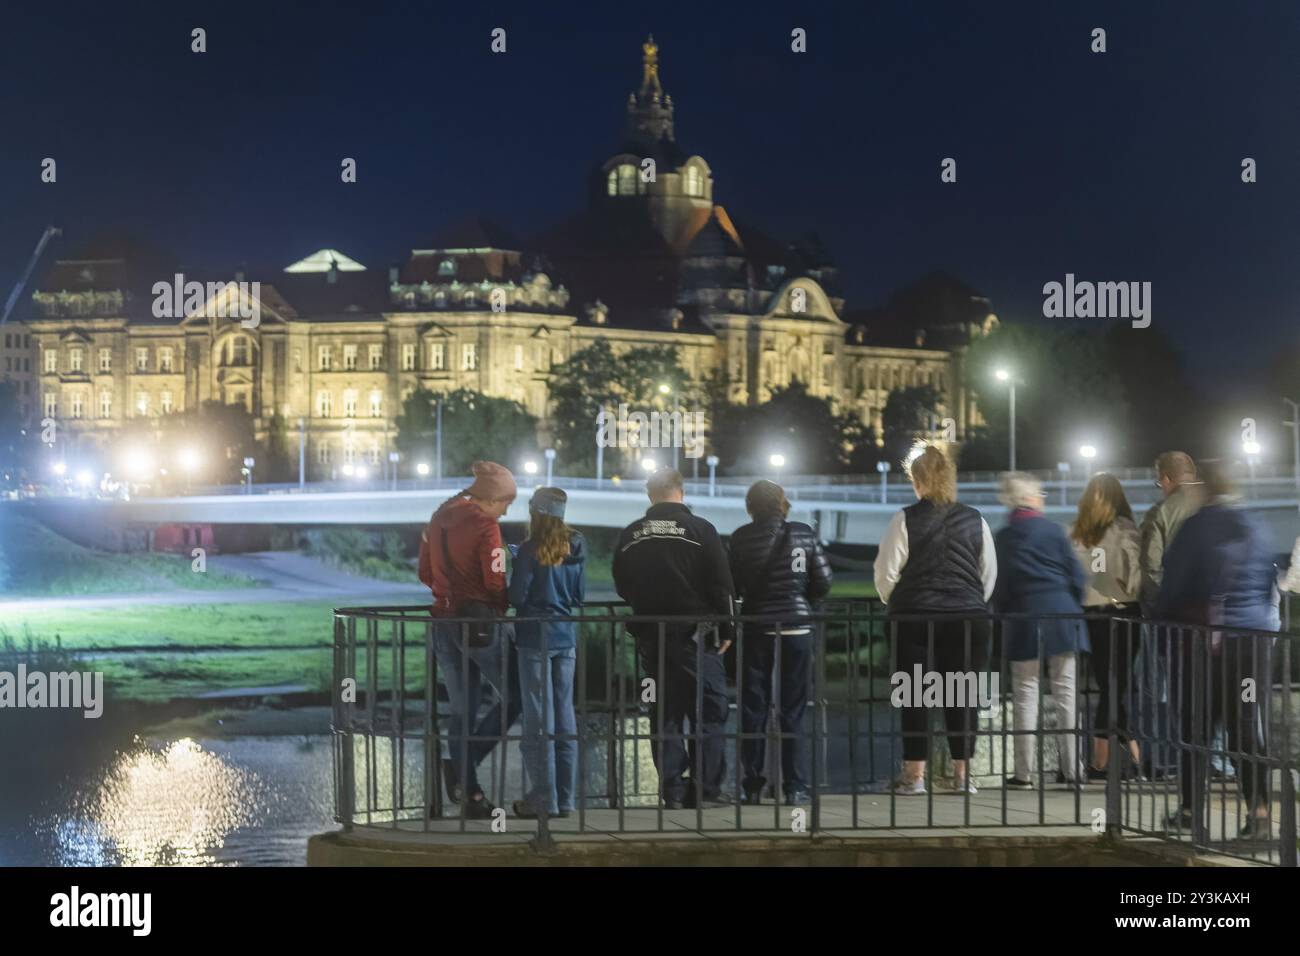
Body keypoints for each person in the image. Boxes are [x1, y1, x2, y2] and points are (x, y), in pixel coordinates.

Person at [1155, 460, 1276, 838]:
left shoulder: (1196, 527)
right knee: (1244, 728)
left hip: (1204, 645)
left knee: (1197, 727)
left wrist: (1161, 622)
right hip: (1252, 644)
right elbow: (1267, 582)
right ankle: (1258, 814)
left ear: (1204, 489)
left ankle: (1192, 811)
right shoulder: (1255, 526)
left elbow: (1173, 585)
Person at [874, 446, 997, 796]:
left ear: (917, 481)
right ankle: (963, 775)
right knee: (964, 695)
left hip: (914, 618)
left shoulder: (904, 518)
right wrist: (969, 601)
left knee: (915, 696)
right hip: (968, 618)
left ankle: (914, 776)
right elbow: (987, 575)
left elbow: (885, 573)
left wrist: (897, 601)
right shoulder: (976, 519)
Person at [612, 468, 735, 809]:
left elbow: (622, 585)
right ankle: (705, 789)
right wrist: (728, 628)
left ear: (650, 494)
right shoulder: (701, 530)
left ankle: (673, 790)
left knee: (662, 710)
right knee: (709, 710)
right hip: (697, 636)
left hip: (651, 636)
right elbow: (721, 585)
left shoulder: (631, 534)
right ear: (680, 491)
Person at [418, 460, 521, 819]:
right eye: (506, 502)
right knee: (517, 694)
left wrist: (446, 593)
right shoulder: (485, 525)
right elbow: (495, 580)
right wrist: (504, 603)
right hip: (479, 625)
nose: (507, 510)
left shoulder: (438, 516)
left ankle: (471, 794)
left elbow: (424, 572)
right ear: (491, 499)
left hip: (442, 622)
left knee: (462, 708)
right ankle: (464, 768)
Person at [728, 479, 833, 805]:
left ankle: (752, 785)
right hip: (797, 628)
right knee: (794, 709)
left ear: (751, 506)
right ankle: (795, 787)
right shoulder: (803, 533)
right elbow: (824, 581)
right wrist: (801, 602)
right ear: (782, 503)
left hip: (758, 627)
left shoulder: (741, 538)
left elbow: (731, 586)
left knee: (752, 707)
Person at [993, 472, 1089, 789]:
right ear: (1033, 498)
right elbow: (1077, 576)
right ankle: (1073, 771)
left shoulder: (1005, 537)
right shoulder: (1054, 531)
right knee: (1066, 694)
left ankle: (1024, 774)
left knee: (1025, 694)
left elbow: (1000, 585)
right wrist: (1070, 604)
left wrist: (1005, 613)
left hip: (1023, 618)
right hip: (1061, 615)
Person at [508, 487, 585, 819]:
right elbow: (579, 595)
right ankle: (566, 799)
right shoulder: (577, 547)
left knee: (539, 720)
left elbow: (516, 598)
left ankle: (544, 799)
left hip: (534, 638)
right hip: (566, 637)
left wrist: (516, 564)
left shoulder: (528, 550)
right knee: (565, 717)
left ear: (535, 514)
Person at [1135, 451, 1205, 780]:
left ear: (1166, 479)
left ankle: (1165, 760)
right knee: (1216, 689)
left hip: (1173, 620)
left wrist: (1163, 604)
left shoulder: (1161, 512)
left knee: (1163, 689)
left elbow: (1149, 566)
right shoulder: (1215, 505)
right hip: (1219, 619)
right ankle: (1219, 762)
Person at [1070, 473, 1143, 780]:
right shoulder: (1126, 529)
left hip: (1091, 615)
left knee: (1109, 684)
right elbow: (1136, 574)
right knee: (1119, 684)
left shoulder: (1077, 533)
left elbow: (1074, 577)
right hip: (1124, 611)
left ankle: (1108, 760)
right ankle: (1123, 760)